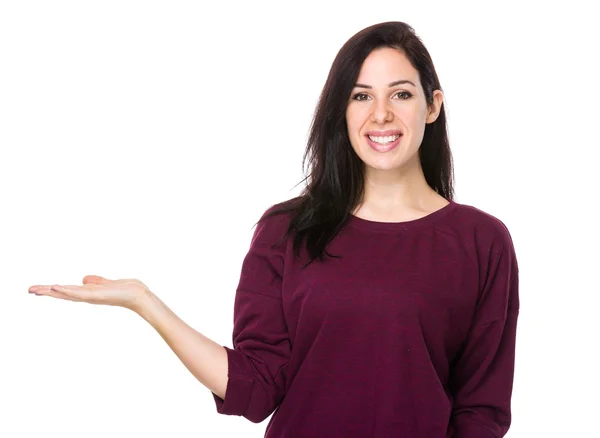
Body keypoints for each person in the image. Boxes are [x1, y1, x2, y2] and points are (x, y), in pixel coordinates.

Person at [28, 21, 519, 437]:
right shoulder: (287, 230)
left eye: (401, 94)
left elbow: (481, 412)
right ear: (341, 112)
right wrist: (146, 303)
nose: (381, 114)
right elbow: (257, 386)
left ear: (432, 106)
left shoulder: (482, 242)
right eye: (360, 96)